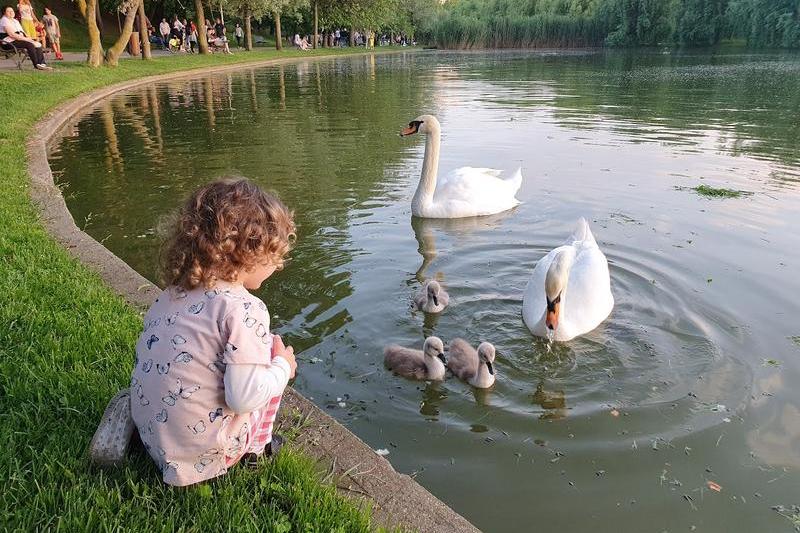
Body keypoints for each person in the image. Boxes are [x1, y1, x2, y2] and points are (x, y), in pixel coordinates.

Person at [130, 178, 298, 486]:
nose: (279, 266)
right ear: (250, 251)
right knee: (272, 358)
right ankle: (255, 452)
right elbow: (244, 398)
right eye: (276, 256)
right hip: (202, 451)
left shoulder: (174, 293)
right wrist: (283, 368)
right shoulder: (245, 309)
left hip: (153, 433)